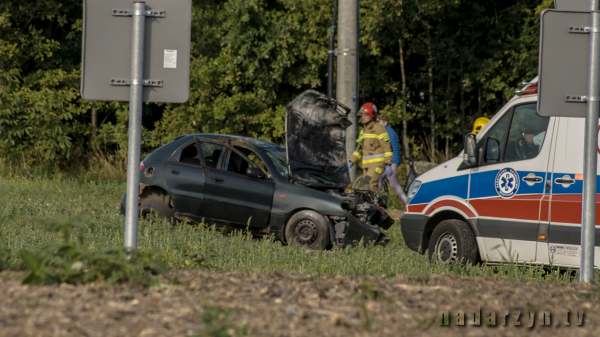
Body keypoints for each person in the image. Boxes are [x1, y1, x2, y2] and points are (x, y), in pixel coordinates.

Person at [348, 103, 393, 192]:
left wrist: (388, 164)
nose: (362, 117)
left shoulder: (379, 129)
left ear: (371, 115)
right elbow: (359, 150)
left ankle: (375, 205)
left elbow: (387, 147)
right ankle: (369, 204)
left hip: (378, 164)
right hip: (366, 165)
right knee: (366, 186)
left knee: (370, 183)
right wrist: (351, 162)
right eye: (361, 115)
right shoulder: (363, 131)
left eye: (365, 115)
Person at [376, 115, 408, 204]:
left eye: (380, 122)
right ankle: (377, 201)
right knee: (379, 179)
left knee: (394, 184)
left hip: (391, 161)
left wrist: (387, 164)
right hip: (394, 160)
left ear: (385, 123)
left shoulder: (385, 131)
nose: (378, 124)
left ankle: (407, 203)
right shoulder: (390, 130)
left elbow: (387, 147)